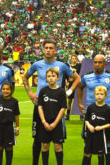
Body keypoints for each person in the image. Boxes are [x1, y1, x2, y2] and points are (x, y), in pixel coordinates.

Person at [22, 37, 80, 165]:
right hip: (39, 106)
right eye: (46, 48)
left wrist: (69, 92)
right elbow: (25, 77)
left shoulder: (62, 65)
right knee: (37, 138)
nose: (48, 50)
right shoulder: (37, 64)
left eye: (51, 48)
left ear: (55, 51)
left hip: (56, 107)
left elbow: (77, 79)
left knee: (58, 141)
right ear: (43, 50)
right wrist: (30, 93)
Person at [77, 54, 110, 165]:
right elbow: (80, 87)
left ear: (105, 64)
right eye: (95, 62)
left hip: (106, 114)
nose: (97, 64)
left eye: (100, 62)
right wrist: (79, 103)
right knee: (88, 141)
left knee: (108, 141)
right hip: (90, 113)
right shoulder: (87, 76)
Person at [38, 68, 67, 165]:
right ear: (46, 78)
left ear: (58, 77)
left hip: (57, 124)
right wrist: (43, 122)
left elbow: (63, 108)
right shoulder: (43, 91)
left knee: (58, 146)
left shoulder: (61, 91)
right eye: (49, 76)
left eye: (53, 76)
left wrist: (55, 123)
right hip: (44, 123)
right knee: (45, 145)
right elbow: (40, 107)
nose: (51, 78)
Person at [82, 86, 110, 165]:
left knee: (100, 154)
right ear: (94, 95)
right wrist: (89, 126)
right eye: (97, 94)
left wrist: (101, 127)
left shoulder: (108, 109)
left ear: (105, 96)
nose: (99, 96)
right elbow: (86, 119)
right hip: (90, 134)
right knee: (87, 153)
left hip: (101, 135)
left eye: (101, 94)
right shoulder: (91, 107)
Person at [0, 82, 20, 165]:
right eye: (4, 89)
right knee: (0, 146)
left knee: (9, 146)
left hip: (9, 126)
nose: (5, 91)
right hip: (0, 126)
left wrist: (17, 127)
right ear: (1, 90)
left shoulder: (14, 101)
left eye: (7, 89)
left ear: (11, 90)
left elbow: (16, 115)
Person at [66, 54, 81, 120]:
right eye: (73, 58)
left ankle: (81, 115)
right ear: (71, 59)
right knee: (69, 100)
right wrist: (67, 81)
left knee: (79, 100)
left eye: (75, 58)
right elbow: (66, 75)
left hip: (78, 85)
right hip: (70, 85)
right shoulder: (68, 67)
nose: (74, 59)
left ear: (77, 59)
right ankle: (68, 115)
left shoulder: (79, 66)